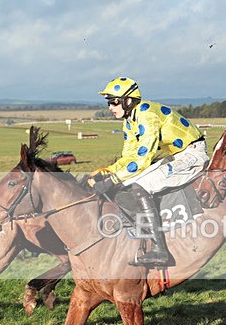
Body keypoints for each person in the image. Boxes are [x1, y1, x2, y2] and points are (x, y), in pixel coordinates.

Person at [88, 77, 208, 266]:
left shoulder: (147, 115)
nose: (110, 107)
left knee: (140, 186)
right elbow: (129, 157)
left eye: (114, 102)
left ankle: (160, 250)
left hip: (193, 154)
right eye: (108, 103)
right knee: (126, 185)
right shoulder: (129, 122)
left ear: (128, 100)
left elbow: (142, 159)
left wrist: (112, 181)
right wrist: (107, 172)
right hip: (178, 155)